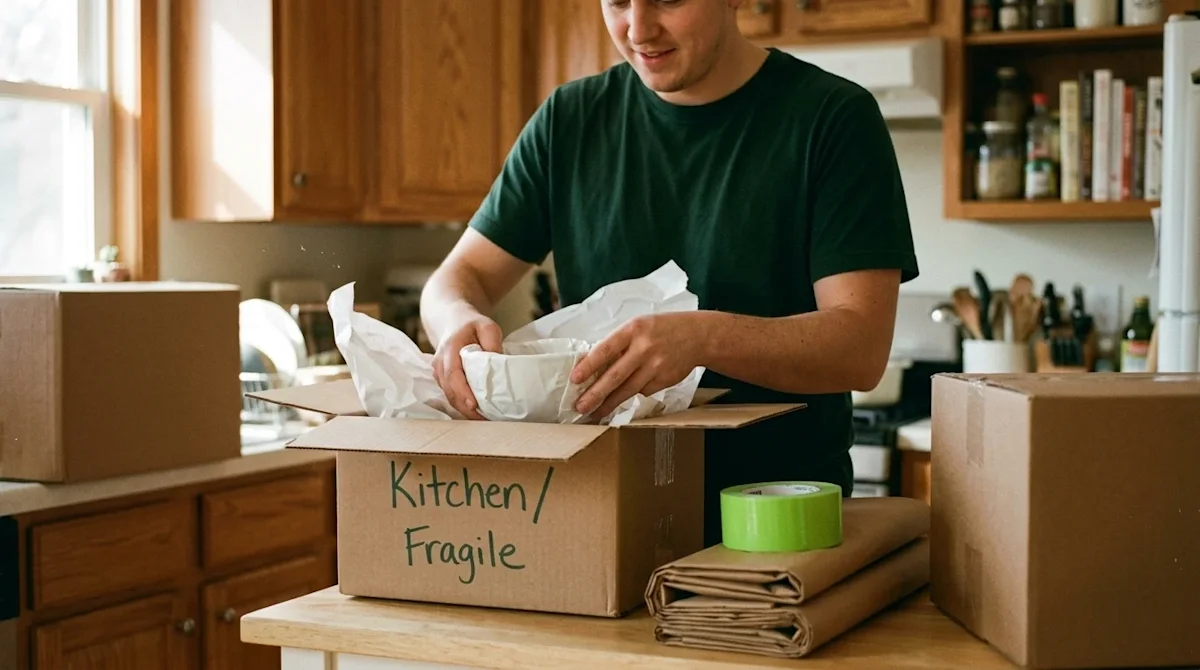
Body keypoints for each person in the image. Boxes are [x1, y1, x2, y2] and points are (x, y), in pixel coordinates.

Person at [420, 0, 919, 547]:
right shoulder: (570, 120)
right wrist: (455, 322)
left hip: (776, 526)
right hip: (600, 516)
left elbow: (861, 346)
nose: (638, 28)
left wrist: (700, 337)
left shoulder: (832, 117)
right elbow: (457, 276)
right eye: (616, 2)